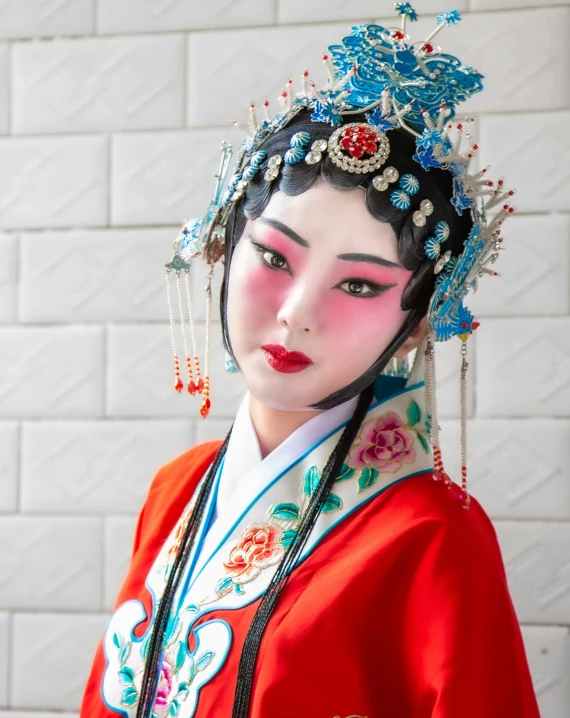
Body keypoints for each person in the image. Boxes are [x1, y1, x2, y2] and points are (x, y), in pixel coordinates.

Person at [81, 5, 541, 717]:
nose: (297, 311)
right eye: (272, 255)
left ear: (417, 322)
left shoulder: (433, 536)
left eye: (359, 284)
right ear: (219, 248)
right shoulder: (177, 489)